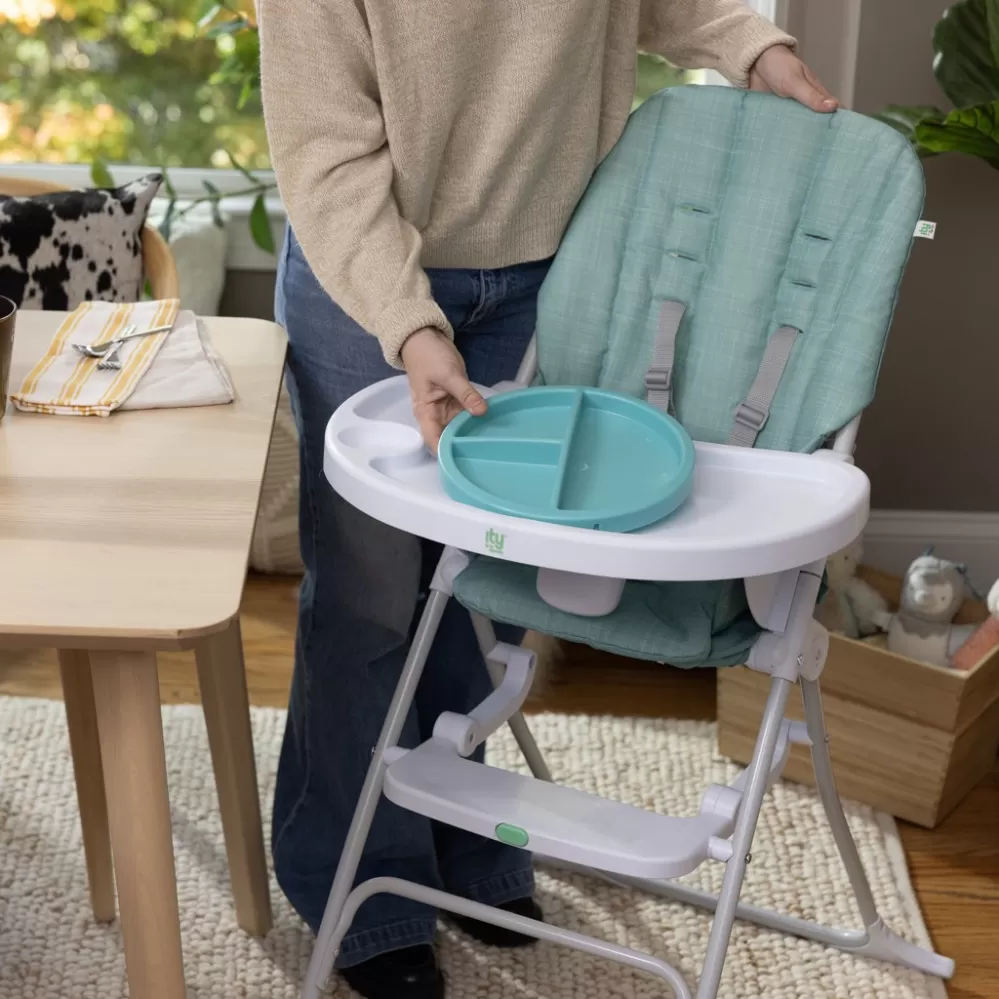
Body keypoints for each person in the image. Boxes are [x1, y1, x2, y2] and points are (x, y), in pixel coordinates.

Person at [258, 4, 836, 997]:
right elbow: (325, 151)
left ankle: (463, 835)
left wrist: (750, 45)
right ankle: (363, 880)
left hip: (545, 272)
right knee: (371, 598)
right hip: (368, 278)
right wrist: (410, 323)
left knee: (476, 581)